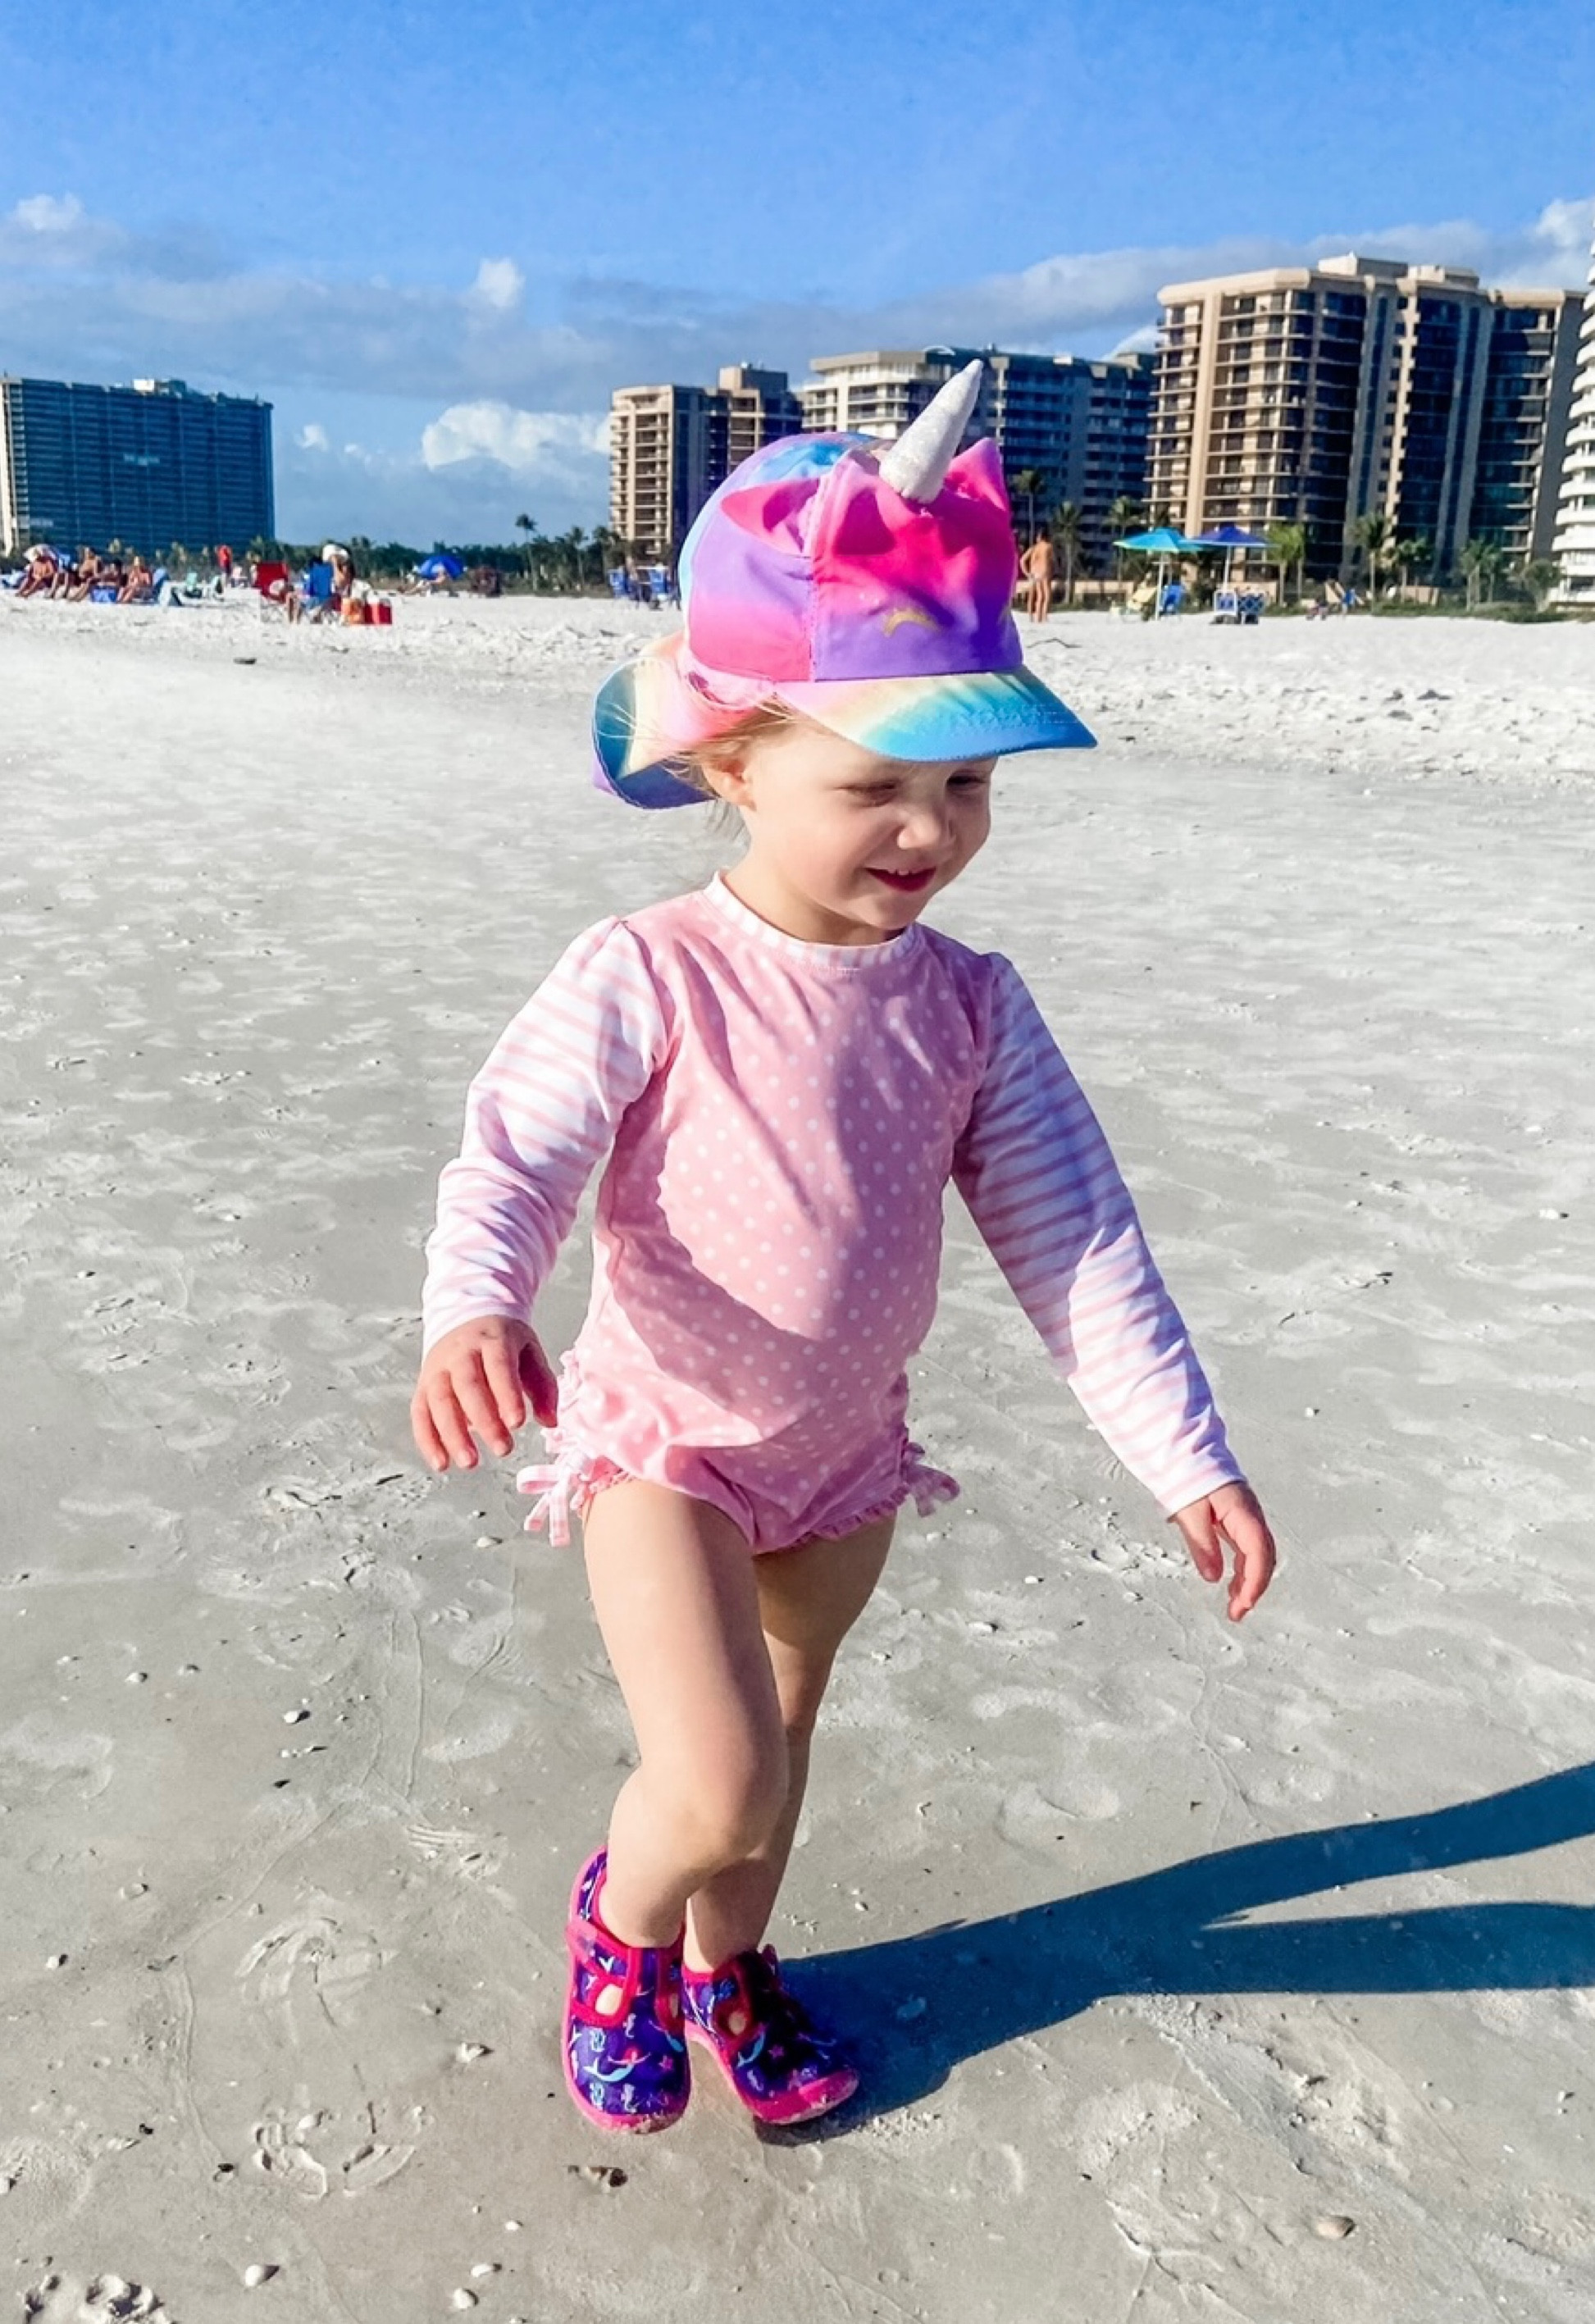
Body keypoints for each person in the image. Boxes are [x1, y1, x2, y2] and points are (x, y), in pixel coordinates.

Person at [412, 363, 1278, 2138]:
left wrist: (1183, 1451)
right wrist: (475, 1305)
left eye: (968, 782)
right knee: (716, 1769)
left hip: (844, 1456)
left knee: (785, 1741)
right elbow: (516, 1150)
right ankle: (622, 1929)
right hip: (668, 1441)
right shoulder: (652, 970)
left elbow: (1077, 1239)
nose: (931, 829)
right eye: (879, 781)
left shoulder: (971, 1005)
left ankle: (729, 1966)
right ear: (735, 760)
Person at [1019, 529, 1054, 621]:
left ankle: (1033, 617)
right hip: (1044, 572)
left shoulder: (1033, 548)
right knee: (1046, 595)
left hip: (1034, 573)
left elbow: (1022, 561)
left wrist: (1026, 572)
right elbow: (1050, 561)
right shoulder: (1048, 546)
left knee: (1035, 596)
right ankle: (1043, 616)